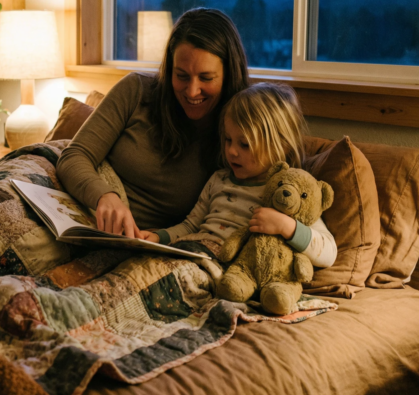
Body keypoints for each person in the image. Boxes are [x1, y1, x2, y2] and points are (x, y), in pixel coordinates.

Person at [56, 8, 250, 238]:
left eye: (206, 78)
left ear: (229, 75)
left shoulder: (240, 132)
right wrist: (105, 196)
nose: (192, 90)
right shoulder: (137, 90)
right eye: (181, 75)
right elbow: (73, 155)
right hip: (80, 203)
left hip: (140, 240)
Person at [139, 83, 337, 268]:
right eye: (228, 139)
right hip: (190, 252)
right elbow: (191, 225)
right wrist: (159, 237)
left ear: (281, 145)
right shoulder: (219, 179)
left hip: (225, 269)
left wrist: (287, 226)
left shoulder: (287, 195)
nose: (232, 151)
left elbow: (328, 252)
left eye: (244, 144)